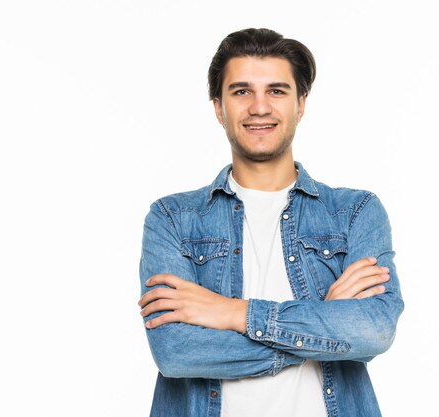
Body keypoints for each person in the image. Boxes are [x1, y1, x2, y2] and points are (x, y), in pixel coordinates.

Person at [138, 28, 404, 417]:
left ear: (300, 105)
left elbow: (373, 330)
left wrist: (233, 313)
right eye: (241, 91)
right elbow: (177, 352)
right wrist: (322, 321)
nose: (259, 107)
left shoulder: (354, 212)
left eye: (277, 91)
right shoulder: (173, 219)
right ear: (218, 107)